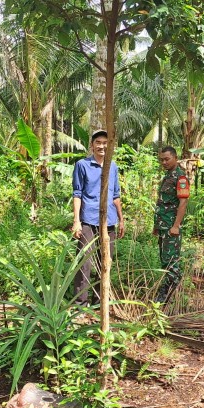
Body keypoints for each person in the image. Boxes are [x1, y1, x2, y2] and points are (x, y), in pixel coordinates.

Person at [72, 129, 125, 306]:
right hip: (88, 219)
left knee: (105, 261)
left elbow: (116, 195)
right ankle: (80, 303)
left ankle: (100, 301)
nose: (102, 146)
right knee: (84, 261)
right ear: (92, 145)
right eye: (98, 142)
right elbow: (77, 194)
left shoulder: (113, 166)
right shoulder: (82, 165)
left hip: (109, 221)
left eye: (105, 142)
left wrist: (121, 219)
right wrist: (76, 221)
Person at [153, 146, 190, 303]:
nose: (164, 162)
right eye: (161, 159)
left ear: (175, 158)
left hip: (171, 227)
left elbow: (183, 203)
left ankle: (167, 297)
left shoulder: (180, 178)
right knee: (165, 260)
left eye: (167, 159)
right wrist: (156, 225)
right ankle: (165, 296)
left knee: (171, 262)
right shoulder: (168, 176)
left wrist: (176, 226)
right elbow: (162, 203)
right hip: (163, 226)